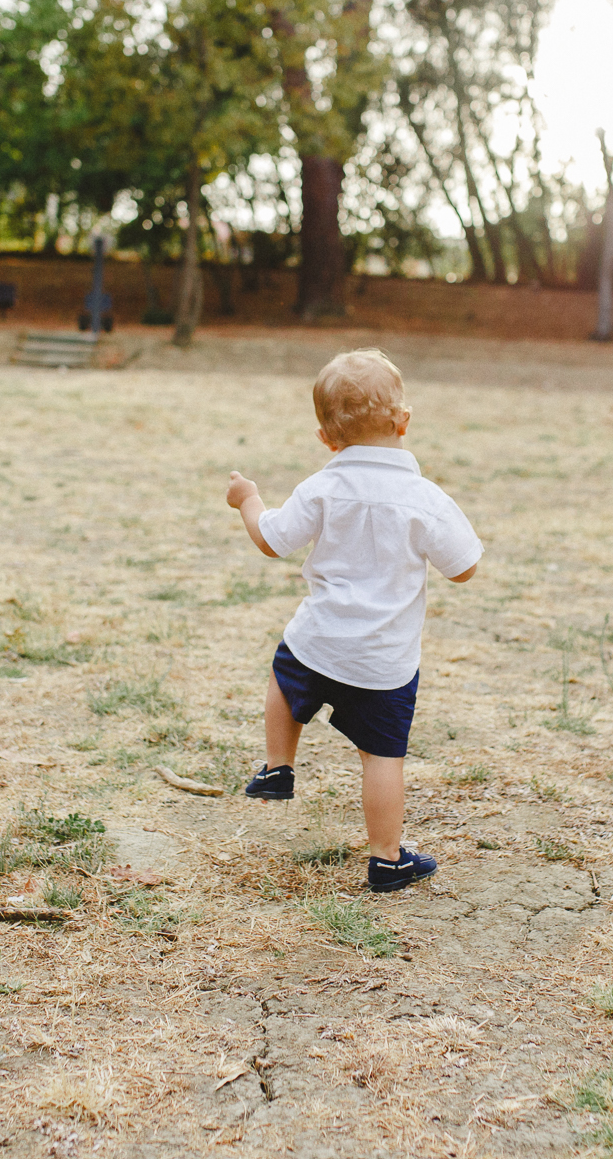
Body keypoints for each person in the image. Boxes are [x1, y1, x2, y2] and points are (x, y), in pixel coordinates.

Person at [224, 349, 482, 893]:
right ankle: (386, 859)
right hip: (383, 662)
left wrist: (248, 500)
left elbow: (271, 539)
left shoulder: (322, 486)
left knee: (283, 675)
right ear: (404, 423)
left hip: (318, 642)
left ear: (326, 438)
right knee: (382, 757)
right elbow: (465, 568)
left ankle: (277, 767)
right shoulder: (424, 498)